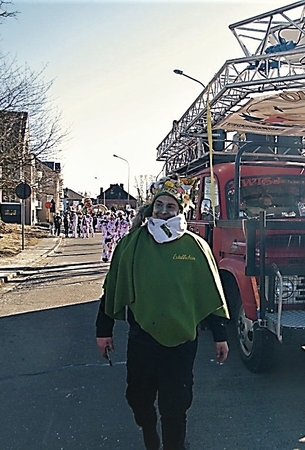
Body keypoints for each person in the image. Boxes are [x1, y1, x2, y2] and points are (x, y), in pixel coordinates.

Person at [95, 175, 230, 450]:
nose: (164, 211)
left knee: (175, 405)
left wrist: (220, 336)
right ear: (151, 208)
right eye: (159, 205)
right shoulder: (132, 244)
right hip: (142, 338)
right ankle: (148, 432)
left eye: (171, 206)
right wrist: (103, 331)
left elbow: (210, 293)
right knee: (138, 399)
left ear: (180, 211)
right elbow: (112, 289)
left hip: (181, 342)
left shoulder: (195, 247)